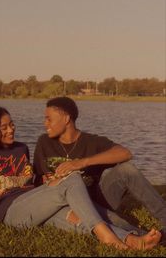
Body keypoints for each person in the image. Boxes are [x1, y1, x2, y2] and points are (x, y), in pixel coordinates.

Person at [0, 106, 162, 251]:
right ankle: (107, 236)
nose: (11, 130)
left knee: (77, 217)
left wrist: (45, 180)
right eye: (4, 127)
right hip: (11, 211)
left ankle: (135, 239)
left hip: (36, 202)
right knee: (72, 179)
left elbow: (27, 180)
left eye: (12, 124)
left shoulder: (21, 148)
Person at [33, 96, 166, 245]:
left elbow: (125, 153)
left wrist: (81, 163)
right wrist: (46, 181)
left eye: (49, 119)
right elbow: (37, 178)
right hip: (65, 204)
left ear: (66, 118)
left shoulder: (91, 141)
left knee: (127, 169)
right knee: (110, 219)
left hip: (96, 198)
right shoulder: (44, 142)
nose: (45, 123)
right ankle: (144, 238)